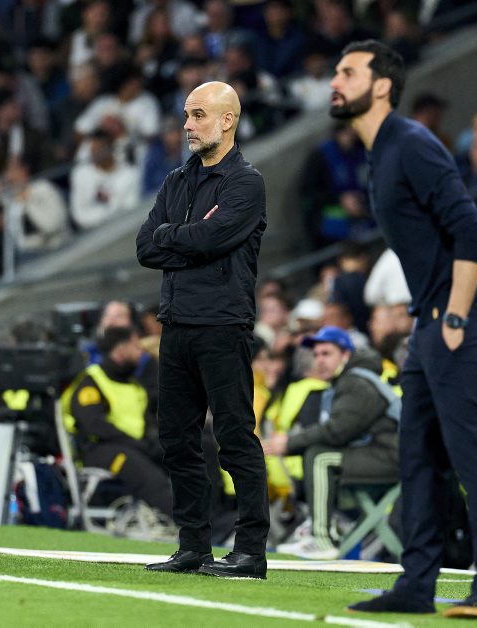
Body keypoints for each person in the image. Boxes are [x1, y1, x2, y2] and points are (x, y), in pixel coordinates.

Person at [329, 41, 477, 620]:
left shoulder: (411, 143)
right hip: (430, 315)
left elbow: (470, 230)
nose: (335, 81)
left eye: (348, 72)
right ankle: (416, 583)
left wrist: (455, 318)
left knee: (467, 451)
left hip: (456, 313)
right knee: (417, 455)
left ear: (382, 85)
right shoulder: (381, 151)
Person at [137, 81, 269, 579]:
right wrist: (186, 239)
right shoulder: (177, 180)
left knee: (234, 437)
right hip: (176, 325)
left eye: (198, 115)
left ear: (227, 120)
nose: (187, 125)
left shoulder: (246, 183)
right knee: (176, 439)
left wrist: (176, 237)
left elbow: (213, 239)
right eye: (187, 115)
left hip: (223, 325)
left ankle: (250, 552)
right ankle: (194, 545)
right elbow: (145, 247)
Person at [267, 327, 400, 559]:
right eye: (316, 355)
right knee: (318, 453)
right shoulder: (351, 378)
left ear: (345, 354)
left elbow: (338, 431)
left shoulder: (356, 381)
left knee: (320, 457)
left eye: (326, 353)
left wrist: (289, 443)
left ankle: (322, 538)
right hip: (384, 454)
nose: (319, 360)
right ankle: (320, 529)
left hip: (391, 457)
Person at [61, 325, 173, 516]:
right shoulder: (92, 382)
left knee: (192, 453)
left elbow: (148, 423)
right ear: (121, 349)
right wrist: (136, 444)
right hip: (99, 450)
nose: (141, 352)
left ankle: (217, 514)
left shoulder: (135, 386)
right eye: (136, 346)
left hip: (138, 446)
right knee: (141, 469)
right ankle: (186, 522)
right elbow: (93, 426)